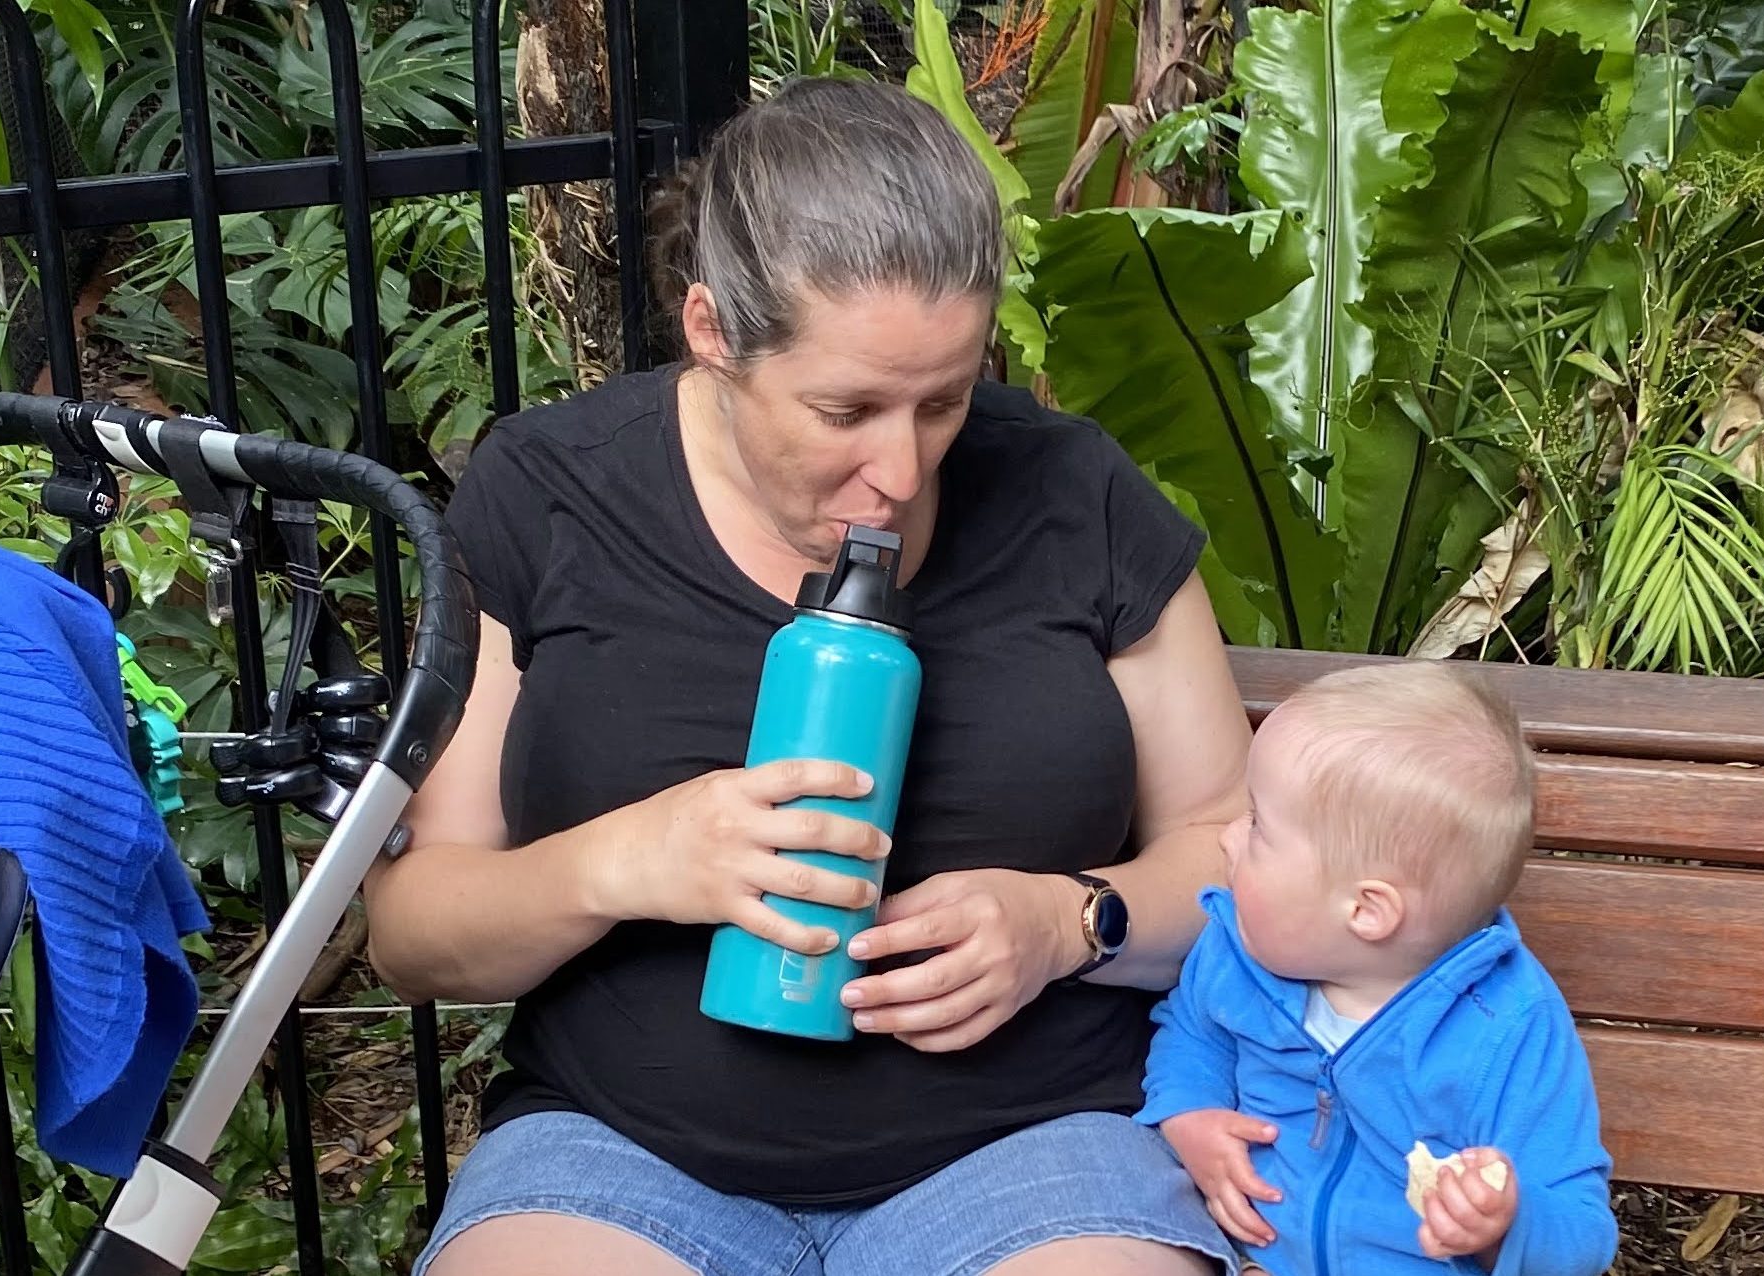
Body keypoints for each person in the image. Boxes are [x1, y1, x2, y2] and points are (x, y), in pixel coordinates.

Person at [360, 78, 1252, 1276]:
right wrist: (627, 859)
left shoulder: (1073, 493)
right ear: (712, 330)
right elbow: (414, 931)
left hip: (1035, 1147)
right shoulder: (550, 493)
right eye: (847, 409)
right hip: (623, 1152)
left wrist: (1068, 921)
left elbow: (1234, 852)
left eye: (944, 401)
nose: (902, 471)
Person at [1137, 662, 1617, 1276]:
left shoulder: (1508, 1029)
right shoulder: (1235, 952)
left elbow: (1582, 1230)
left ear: (1366, 910)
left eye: (1258, 827)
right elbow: (1193, 1033)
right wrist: (1187, 1114)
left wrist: (1506, 1225)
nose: (1228, 838)